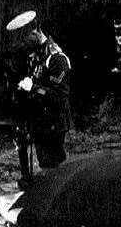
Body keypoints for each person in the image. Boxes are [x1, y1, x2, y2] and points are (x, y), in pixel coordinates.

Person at [6, 11, 72, 172]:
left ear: (36, 31)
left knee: (55, 169)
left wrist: (33, 88)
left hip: (54, 124)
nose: (23, 44)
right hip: (40, 121)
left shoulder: (56, 58)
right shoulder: (35, 54)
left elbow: (59, 96)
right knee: (44, 165)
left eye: (25, 38)